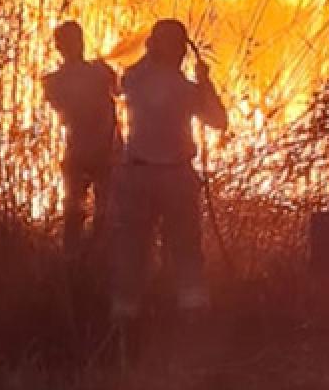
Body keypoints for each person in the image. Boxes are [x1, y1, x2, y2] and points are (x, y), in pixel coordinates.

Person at [111, 19, 227, 322]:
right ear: (181, 51)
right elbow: (219, 120)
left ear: (152, 48)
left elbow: (125, 79)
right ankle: (193, 316)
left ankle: (125, 321)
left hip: (138, 176)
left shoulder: (135, 81)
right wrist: (205, 81)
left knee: (132, 251)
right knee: (186, 250)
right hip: (177, 179)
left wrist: (153, 49)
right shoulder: (187, 90)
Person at [42, 20, 122, 258]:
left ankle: (77, 259)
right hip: (97, 152)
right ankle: (89, 259)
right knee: (95, 211)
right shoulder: (94, 73)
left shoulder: (54, 81)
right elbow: (118, 90)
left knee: (80, 212)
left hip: (84, 152)